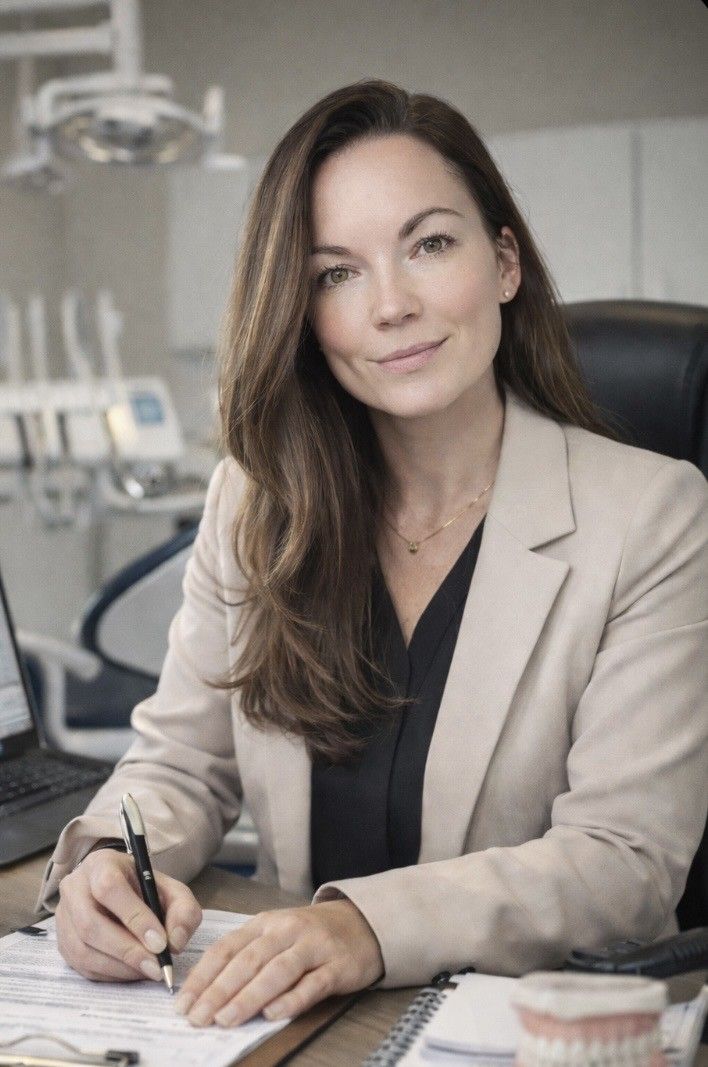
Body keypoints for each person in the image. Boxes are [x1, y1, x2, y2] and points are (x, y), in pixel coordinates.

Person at [40, 80, 707, 1030]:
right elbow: (180, 763)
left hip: (521, 1037)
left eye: (430, 244)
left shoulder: (653, 516)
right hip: (284, 1029)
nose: (391, 305)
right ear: (302, 312)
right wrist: (106, 857)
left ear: (505, 262)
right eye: (335, 273)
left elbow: (623, 862)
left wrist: (366, 927)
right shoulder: (255, 500)